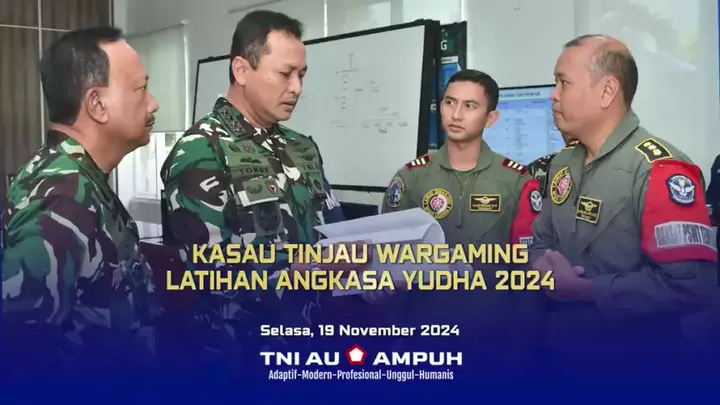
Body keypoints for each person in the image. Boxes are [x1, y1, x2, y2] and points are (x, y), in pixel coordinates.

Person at [159, 10, 358, 373]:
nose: (296, 88)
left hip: (315, 350)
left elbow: (336, 233)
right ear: (241, 70)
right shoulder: (201, 150)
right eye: (285, 74)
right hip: (243, 361)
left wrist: (366, 274)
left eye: (301, 75)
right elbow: (211, 270)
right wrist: (305, 267)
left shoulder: (302, 148)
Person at [530, 34, 717, 375]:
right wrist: (541, 265)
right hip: (563, 358)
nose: (553, 95)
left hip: (637, 369)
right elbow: (540, 240)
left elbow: (690, 286)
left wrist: (587, 290)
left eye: (563, 83)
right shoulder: (562, 164)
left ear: (607, 91)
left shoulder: (661, 170)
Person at [1, 28, 160, 376]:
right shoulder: (61, 198)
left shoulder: (79, 179)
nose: (153, 103)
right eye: (141, 89)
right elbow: (21, 352)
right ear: (97, 104)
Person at [380, 69, 544, 374]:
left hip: (492, 341)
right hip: (423, 339)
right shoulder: (411, 177)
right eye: (450, 102)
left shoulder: (516, 181)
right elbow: (387, 260)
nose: (456, 114)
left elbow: (529, 271)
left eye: (470, 106)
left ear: (490, 118)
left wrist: (522, 344)